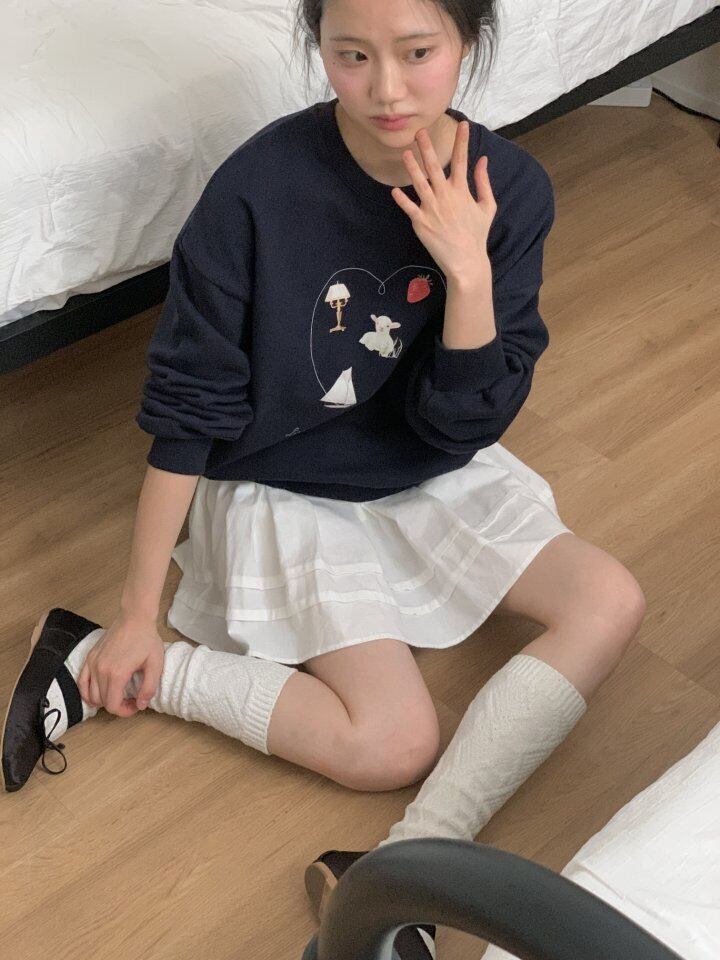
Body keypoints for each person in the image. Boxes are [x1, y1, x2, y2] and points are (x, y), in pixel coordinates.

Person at [2, 0, 646, 956]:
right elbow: (189, 408)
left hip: (426, 466)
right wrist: (138, 614)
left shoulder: (510, 188)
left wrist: (467, 275)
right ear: (318, 45)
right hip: (281, 478)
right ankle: (91, 652)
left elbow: (463, 422)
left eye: (418, 53)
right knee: (392, 743)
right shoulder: (257, 190)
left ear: (468, 43)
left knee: (611, 600)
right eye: (351, 55)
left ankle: (402, 868)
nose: (386, 90)